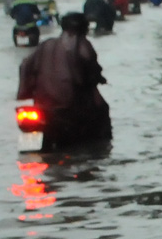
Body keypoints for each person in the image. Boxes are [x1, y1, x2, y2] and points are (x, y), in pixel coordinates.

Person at [17, 12, 111, 146]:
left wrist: (24, 93)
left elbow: (24, 66)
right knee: (102, 108)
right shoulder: (82, 44)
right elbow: (91, 70)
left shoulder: (45, 44)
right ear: (83, 28)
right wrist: (97, 77)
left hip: (42, 105)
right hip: (70, 105)